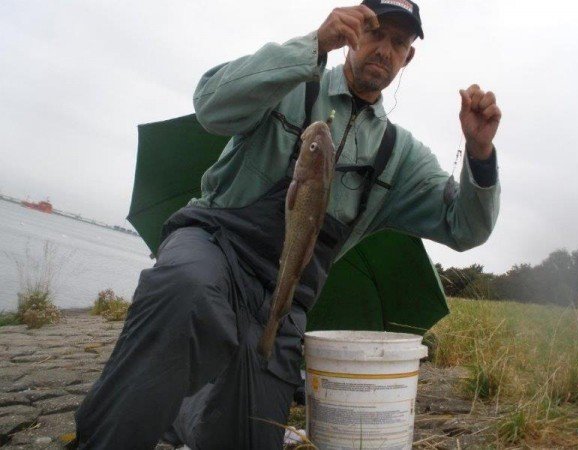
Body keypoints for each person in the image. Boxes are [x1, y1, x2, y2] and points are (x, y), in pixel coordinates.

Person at [75, 0, 501, 448]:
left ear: (408, 57)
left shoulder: (402, 155)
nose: (384, 49)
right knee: (185, 289)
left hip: (284, 297)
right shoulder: (290, 79)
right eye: (375, 32)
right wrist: (312, 45)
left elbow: (465, 228)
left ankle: (186, 414)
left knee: (247, 435)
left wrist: (480, 155)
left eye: (398, 42)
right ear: (355, 31)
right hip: (213, 244)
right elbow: (210, 106)